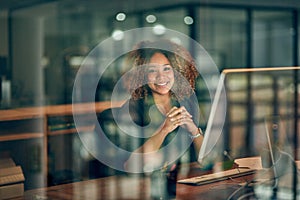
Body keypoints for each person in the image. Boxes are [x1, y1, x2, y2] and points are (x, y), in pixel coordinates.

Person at [97, 39, 203, 174]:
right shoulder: (132, 111)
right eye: (152, 70)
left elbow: (208, 159)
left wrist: (193, 129)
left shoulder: (185, 104)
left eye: (167, 68)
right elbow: (132, 166)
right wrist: (164, 130)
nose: (161, 76)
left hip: (183, 182)